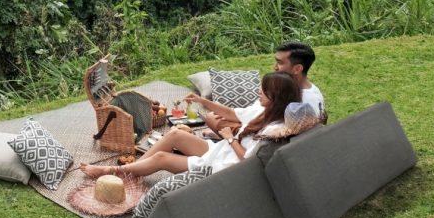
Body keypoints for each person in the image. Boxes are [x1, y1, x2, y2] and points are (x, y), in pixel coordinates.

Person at [79, 72, 301, 179]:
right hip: (220, 152)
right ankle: (131, 172)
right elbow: (233, 114)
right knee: (175, 134)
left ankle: (112, 171)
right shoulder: (264, 111)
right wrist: (204, 102)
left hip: (224, 166)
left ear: (276, 97)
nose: (258, 92)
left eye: (263, 91)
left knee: (161, 159)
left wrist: (229, 137)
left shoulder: (275, 129)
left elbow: (247, 160)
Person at [190, 41, 325, 136]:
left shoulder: (298, 102)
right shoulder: (307, 89)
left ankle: (223, 137)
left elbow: (286, 136)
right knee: (216, 115)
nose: (275, 67)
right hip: (254, 123)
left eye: (280, 62)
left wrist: (234, 137)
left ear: (297, 69)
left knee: (211, 118)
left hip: (256, 135)